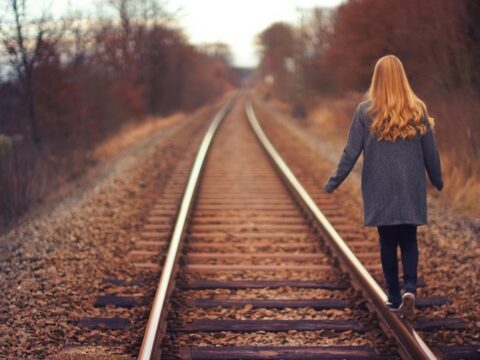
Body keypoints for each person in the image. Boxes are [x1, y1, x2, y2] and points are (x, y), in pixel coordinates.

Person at [324, 55, 443, 317]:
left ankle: (393, 295)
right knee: (409, 238)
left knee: (387, 240)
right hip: (410, 186)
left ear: (377, 78)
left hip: (380, 188)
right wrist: (437, 179)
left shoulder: (365, 111)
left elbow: (350, 152)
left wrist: (333, 182)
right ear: (402, 77)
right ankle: (410, 287)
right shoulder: (417, 109)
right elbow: (430, 152)